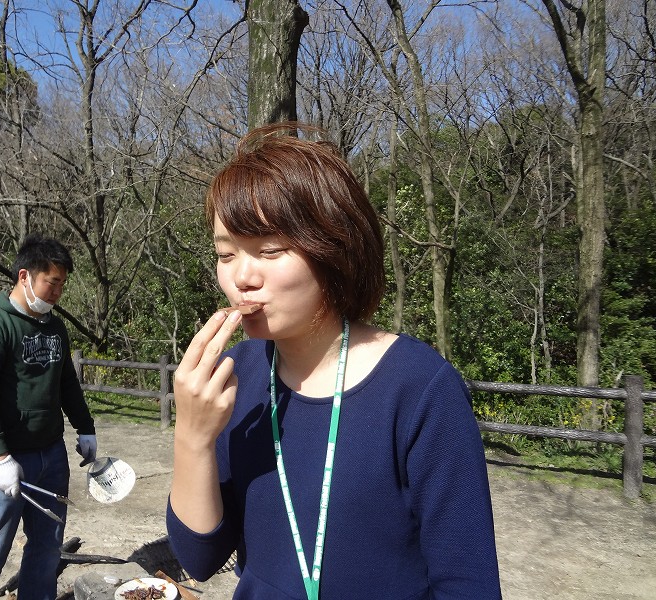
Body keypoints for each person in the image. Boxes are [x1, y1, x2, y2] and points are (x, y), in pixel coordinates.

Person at [166, 123, 502, 599]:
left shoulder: (420, 388)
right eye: (226, 254)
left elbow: (467, 584)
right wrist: (192, 436)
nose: (241, 277)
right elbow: (198, 560)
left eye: (269, 250)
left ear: (333, 248)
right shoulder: (235, 377)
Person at [0, 233, 97, 600]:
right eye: (52, 282)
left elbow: (66, 382)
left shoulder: (55, 327)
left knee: (48, 546)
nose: (58, 293)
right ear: (24, 276)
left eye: (62, 284)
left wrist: (85, 428)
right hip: (5, 459)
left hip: (51, 455)